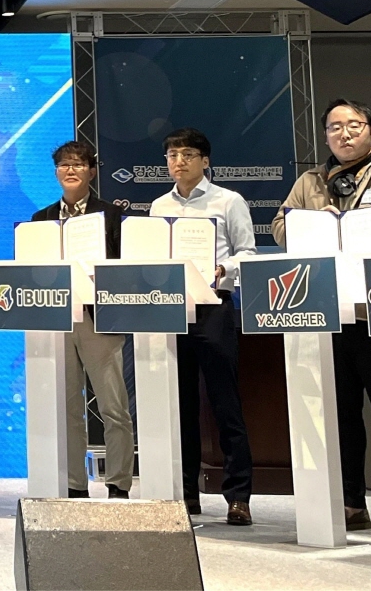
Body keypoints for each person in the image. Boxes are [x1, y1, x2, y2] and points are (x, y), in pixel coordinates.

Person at [274, 99, 371, 543]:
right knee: (340, 413)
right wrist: (310, 223)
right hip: (326, 315)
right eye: (334, 127)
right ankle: (351, 504)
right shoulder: (309, 182)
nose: (344, 134)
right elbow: (280, 229)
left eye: (353, 125)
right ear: (325, 135)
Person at [149, 128, 257, 525]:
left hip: (214, 307)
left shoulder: (228, 200)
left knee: (225, 403)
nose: (178, 162)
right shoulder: (160, 205)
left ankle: (238, 496)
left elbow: (248, 252)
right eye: (172, 155)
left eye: (187, 154)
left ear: (205, 161)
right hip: (171, 309)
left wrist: (222, 268)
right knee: (179, 407)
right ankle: (186, 494)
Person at [30, 141, 133, 500]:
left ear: (91, 171)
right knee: (68, 407)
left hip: (98, 319)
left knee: (113, 406)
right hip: (56, 319)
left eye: (78, 164)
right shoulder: (41, 218)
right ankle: (75, 484)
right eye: (63, 164)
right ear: (56, 172)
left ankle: (119, 483)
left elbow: (124, 267)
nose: (70, 170)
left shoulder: (112, 215)